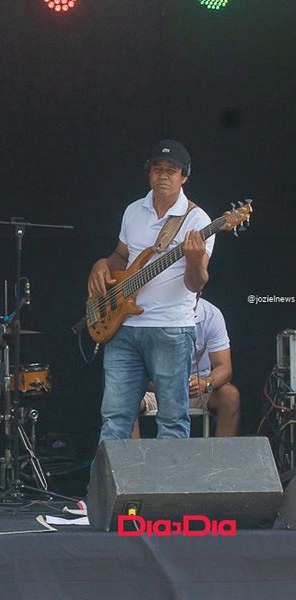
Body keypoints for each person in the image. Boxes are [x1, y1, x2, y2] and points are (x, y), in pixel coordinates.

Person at [87, 139, 214, 442]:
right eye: (158, 169)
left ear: (184, 176)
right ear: (149, 173)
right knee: (114, 418)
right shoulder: (133, 210)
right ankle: (111, 490)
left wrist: (195, 259)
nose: (163, 175)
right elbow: (121, 255)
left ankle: (167, 490)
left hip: (171, 328)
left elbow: (195, 284)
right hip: (124, 326)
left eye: (171, 170)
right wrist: (101, 264)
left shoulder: (198, 220)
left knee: (172, 421)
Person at [134, 298, 240, 437]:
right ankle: (132, 458)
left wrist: (206, 383)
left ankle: (223, 458)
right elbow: (134, 370)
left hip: (197, 388)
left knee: (230, 396)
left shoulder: (211, 314)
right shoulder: (148, 313)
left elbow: (225, 368)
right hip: (156, 387)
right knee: (126, 398)